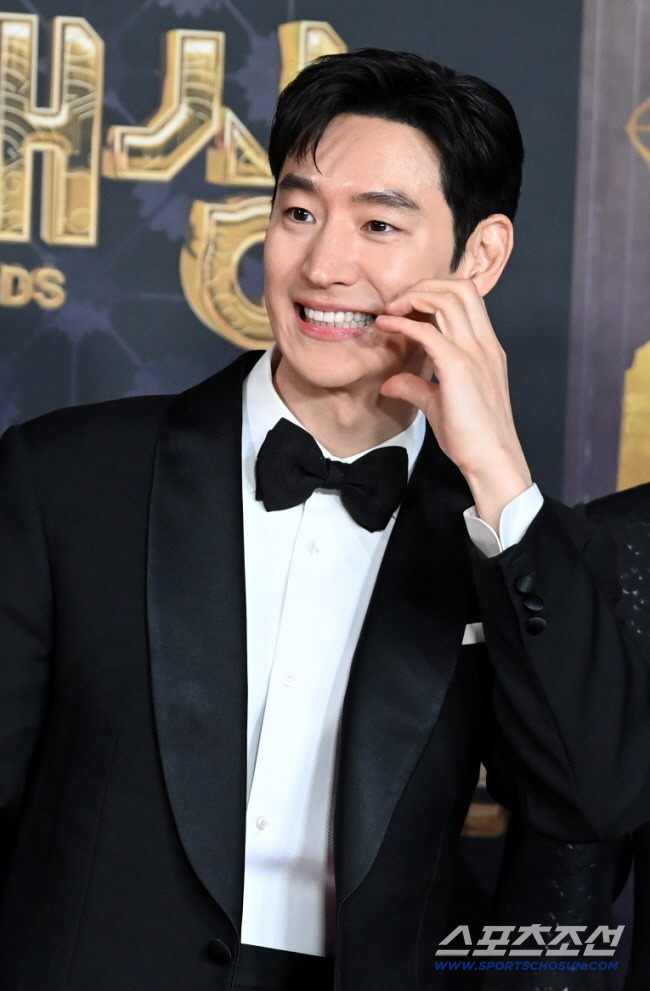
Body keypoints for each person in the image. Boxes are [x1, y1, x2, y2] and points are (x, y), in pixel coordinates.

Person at [0, 49, 648, 991]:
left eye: (378, 224)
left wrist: (501, 479)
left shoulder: (508, 540)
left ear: (479, 256)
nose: (323, 265)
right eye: (299, 213)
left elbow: (596, 797)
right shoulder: (67, 479)